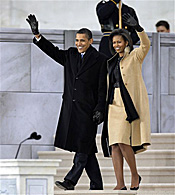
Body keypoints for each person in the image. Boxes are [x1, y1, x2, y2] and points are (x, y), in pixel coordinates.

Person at [26, 14, 107, 190]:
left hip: (89, 111)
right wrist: (38, 35)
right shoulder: (70, 54)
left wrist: (100, 108)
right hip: (72, 109)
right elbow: (53, 51)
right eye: (77, 40)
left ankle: (70, 181)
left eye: (82, 41)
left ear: (90, 41)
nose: (78, 43)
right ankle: (97, 185)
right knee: (86, 148)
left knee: (82, 147)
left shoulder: (100, 60)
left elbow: (102, 88)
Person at [101, 13, 151, 191]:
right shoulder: (111, 62)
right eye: (114, 43)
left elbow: (146, 44)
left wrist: (138, 28)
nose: (116, 45)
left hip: (127, 104)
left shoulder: (136, 56)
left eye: (119, 42)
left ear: (127, 42)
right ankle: (120, 183)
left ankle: (135, 175)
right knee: (114, 144)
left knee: (123, 142)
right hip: (112, 105)